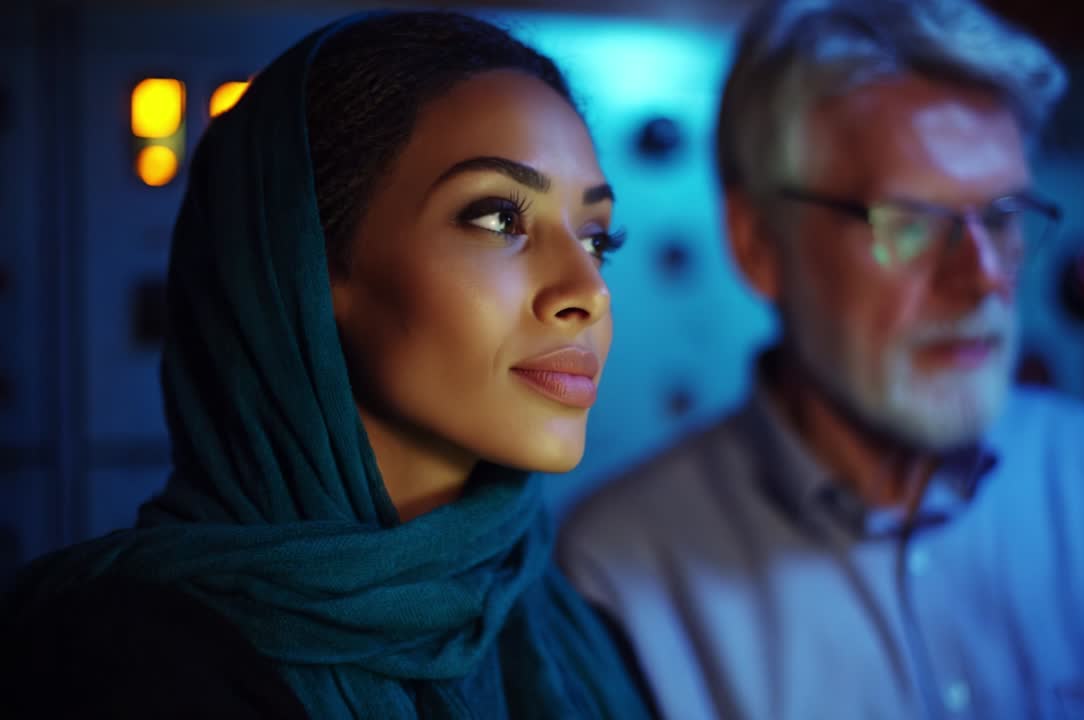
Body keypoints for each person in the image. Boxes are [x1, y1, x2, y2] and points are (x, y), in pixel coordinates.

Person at [557, 0, 1084, 717]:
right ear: (758, 246)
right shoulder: (617, 579)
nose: (983, 279)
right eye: (909, 224)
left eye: (1002, 217)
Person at [2, 11, 649, 719]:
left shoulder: (574, 630)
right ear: (302, 268)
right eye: (498, 218)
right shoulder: (114, 667)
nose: (587, 292)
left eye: (595, 238)